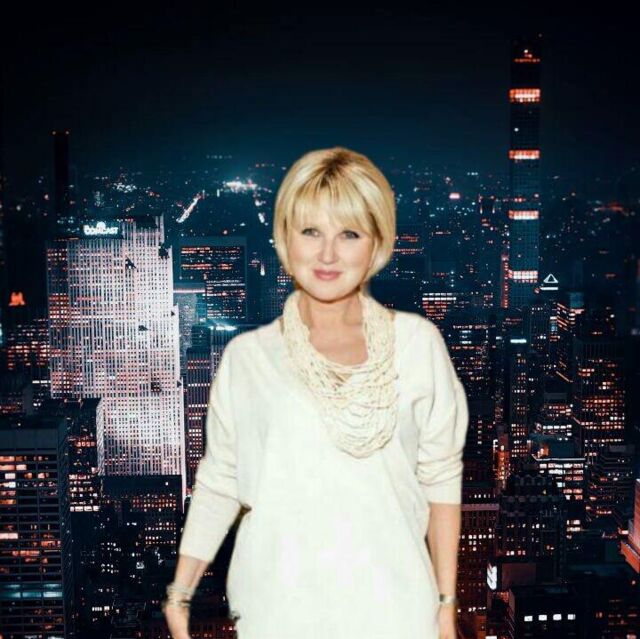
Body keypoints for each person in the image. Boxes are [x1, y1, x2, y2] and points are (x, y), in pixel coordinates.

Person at [163, 147, 469, 639]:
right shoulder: (248, 358)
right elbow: (221, 480)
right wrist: (180, 595)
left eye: (349, 234)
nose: (328, 255)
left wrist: (446, 605)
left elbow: (441, 479)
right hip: (277, 612)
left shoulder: (418, 345)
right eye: (310, 231)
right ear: (286, 238)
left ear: (377, 243)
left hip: (395, 610)